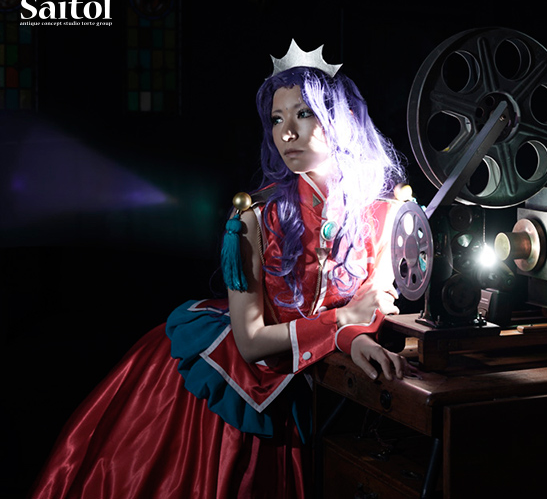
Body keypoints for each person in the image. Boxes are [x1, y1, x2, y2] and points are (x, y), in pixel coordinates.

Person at [29, 40, 409, 499]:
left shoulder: (385, 214)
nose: (286, 133)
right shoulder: (253, 219)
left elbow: (372, 304)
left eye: (303, 114)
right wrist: (343, 322)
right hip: (231, 382)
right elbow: (251, 343)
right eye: (276, 119)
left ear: (341, 120)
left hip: (309, 384)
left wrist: (354, 336)